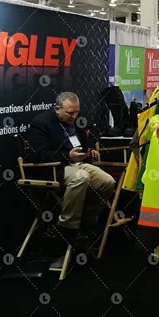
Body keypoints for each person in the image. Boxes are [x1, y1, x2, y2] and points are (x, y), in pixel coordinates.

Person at [28, 92, 115, 249]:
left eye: (76, 112)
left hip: (78, 163)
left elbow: (83, 143)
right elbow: (38, 155)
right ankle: (66, 228)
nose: (74, 116)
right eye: (69, 113)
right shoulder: (40, 123)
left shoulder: (75, 120)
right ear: (57, 109)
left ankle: (87, 223)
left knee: (107, 181)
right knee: (81, 177)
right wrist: (66, 155)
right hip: (55, 167)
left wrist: (89, 150)